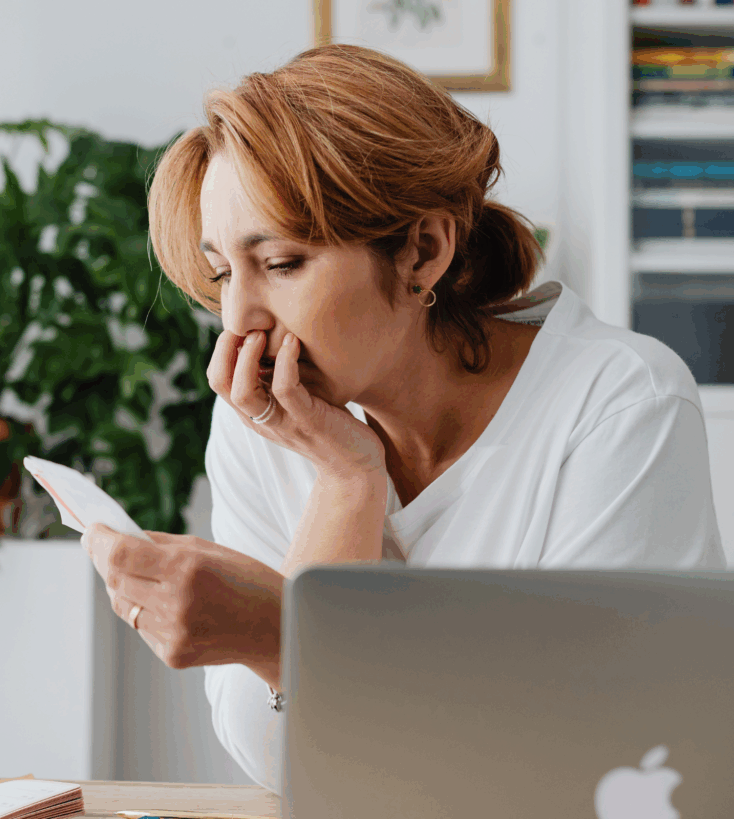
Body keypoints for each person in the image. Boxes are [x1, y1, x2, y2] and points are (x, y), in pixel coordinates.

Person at [79, 43, 726, 793]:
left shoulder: (619, 405)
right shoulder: (259, 426)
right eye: (223, 273)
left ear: (423, 250)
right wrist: (347, 480)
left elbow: (599, 763)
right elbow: (282, 767)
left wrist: (288, 635)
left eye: (283, 263)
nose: (240, 320)